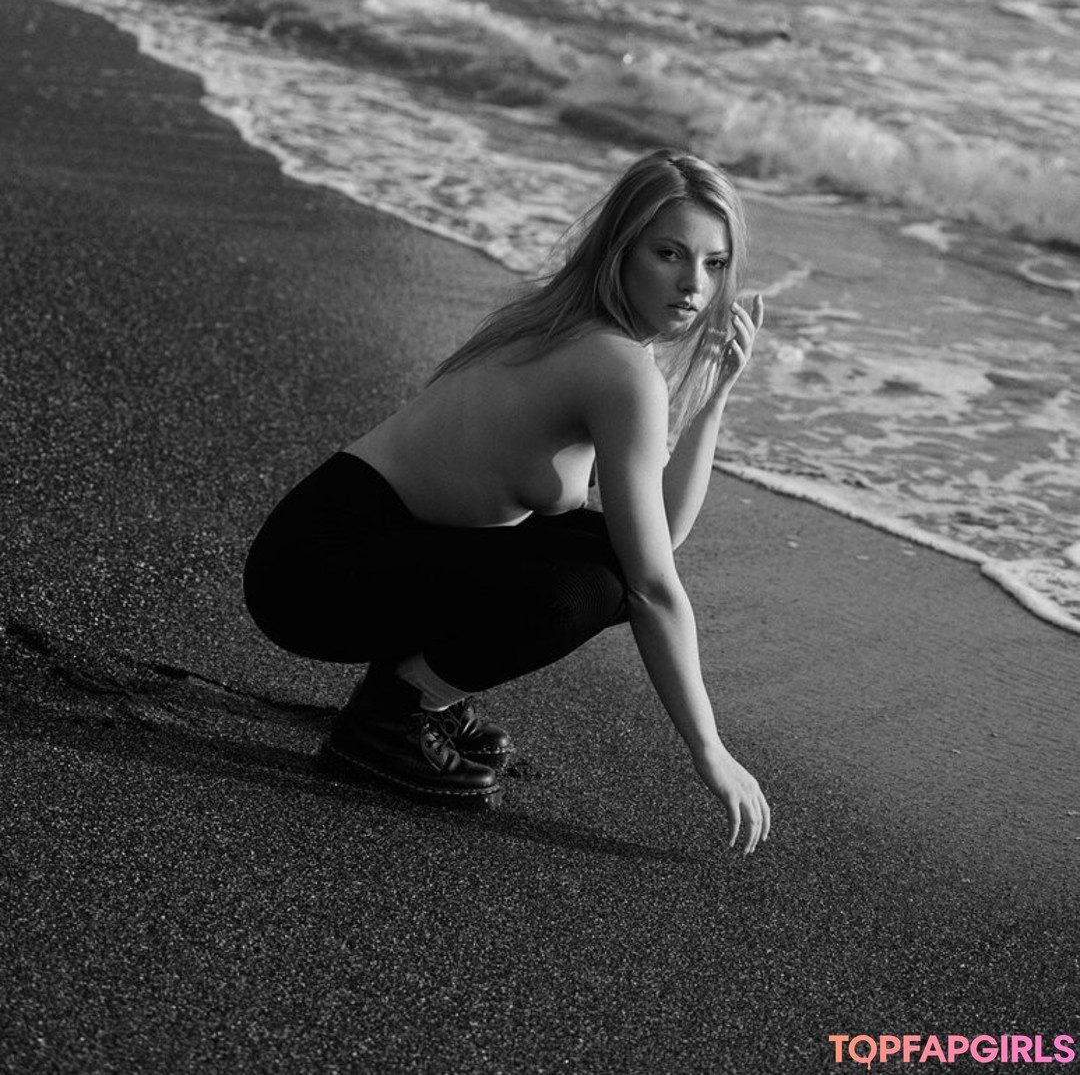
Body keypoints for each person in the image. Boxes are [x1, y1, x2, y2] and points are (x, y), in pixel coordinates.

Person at [244, 148, 770, 852]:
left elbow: (660, 535)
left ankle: (412, 689)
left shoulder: (573, 327)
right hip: (313, 573)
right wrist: (710, 749)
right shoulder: (616, 368)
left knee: (604, 554)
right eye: (669, 253)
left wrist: (714, 393)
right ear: (621, 249)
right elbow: (650, 584)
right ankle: (393, 713)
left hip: (339, 545)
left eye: (714, 262)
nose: (693, 284)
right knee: (590, 587)